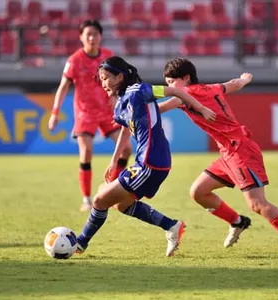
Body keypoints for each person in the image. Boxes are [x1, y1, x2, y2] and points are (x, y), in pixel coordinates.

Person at [159, 57, 278, 258]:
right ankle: (237, 221)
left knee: (257, 203)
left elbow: (161, 107)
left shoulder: (185, 94)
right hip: (228, 152)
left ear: (186, 78)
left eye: (171, 82)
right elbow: (233, 85)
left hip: (240, 150)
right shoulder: (211, 88)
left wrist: (136, 105)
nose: (169, 86)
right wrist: (244, 79)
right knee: (199, 191)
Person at [75, 56, 216, 256]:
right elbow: (125, 129)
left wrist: (201, 108)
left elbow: (176, 90)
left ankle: (80, 243)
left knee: (99, 200)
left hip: (149, 163)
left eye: (105, 78)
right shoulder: (120, 104)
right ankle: (172, 226)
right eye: (101, 79)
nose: (103, 83)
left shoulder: (139, 90)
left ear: (119, 76)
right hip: (152, 162)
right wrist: (114, 160)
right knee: (121, 204)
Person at [48, 19, 132, 212]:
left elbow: (123, 81)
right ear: (81, 37)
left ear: (101, 36)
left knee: (126, 149)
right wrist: (54, 113)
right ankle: (86, 198)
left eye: (95, 34)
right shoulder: (75, 60)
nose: (92, 38)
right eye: (88, 34)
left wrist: (118, 97)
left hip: (107, 112)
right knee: (86, 152)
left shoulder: (109, 58)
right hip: (85, 113)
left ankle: (112, 186)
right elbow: (63, 87)